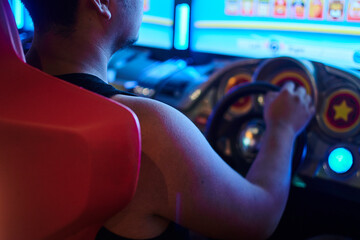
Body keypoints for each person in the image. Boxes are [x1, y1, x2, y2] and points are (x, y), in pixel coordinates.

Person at [20, 0, 315, 239]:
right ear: (100, 3)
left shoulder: (10, 91)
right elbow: (258, 219)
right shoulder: (144, 128)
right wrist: (283, 127)